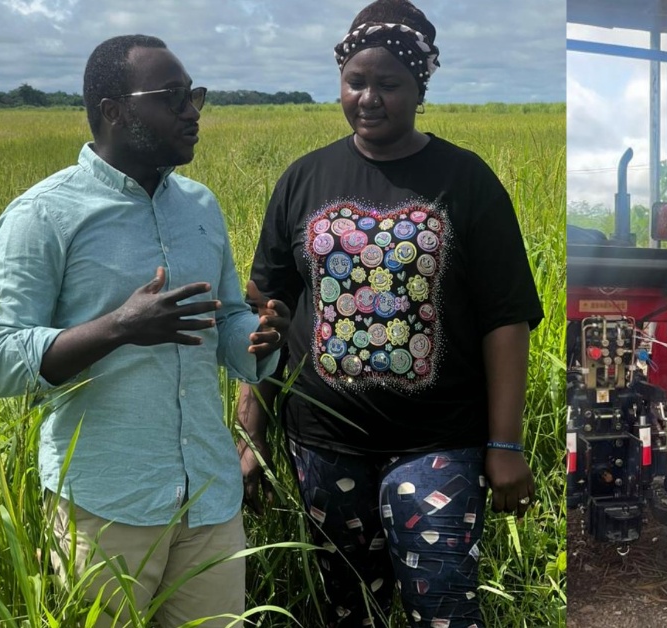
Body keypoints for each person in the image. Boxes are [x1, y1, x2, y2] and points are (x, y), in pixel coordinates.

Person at [236, 0, 543, 625]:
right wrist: (251, 433)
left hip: (438, 442)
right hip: (323, 441)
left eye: (389, 84)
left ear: (420, 87)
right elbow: (264, 310)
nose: (369, 98)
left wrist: (505, 443)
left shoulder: (467, 180)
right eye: (356, 81)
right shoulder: (305, 178)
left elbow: (505, 319)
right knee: (349, 605)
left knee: (444, 606)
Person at [0, 34, 289, 628]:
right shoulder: (42, 216)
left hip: (209, 498)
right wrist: (118, 327)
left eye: (194, 94)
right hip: (104, 503)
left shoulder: (200, 205)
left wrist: (259, 338)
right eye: (173, 97)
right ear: (114, 110)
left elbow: (222, 321)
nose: (193, 110)